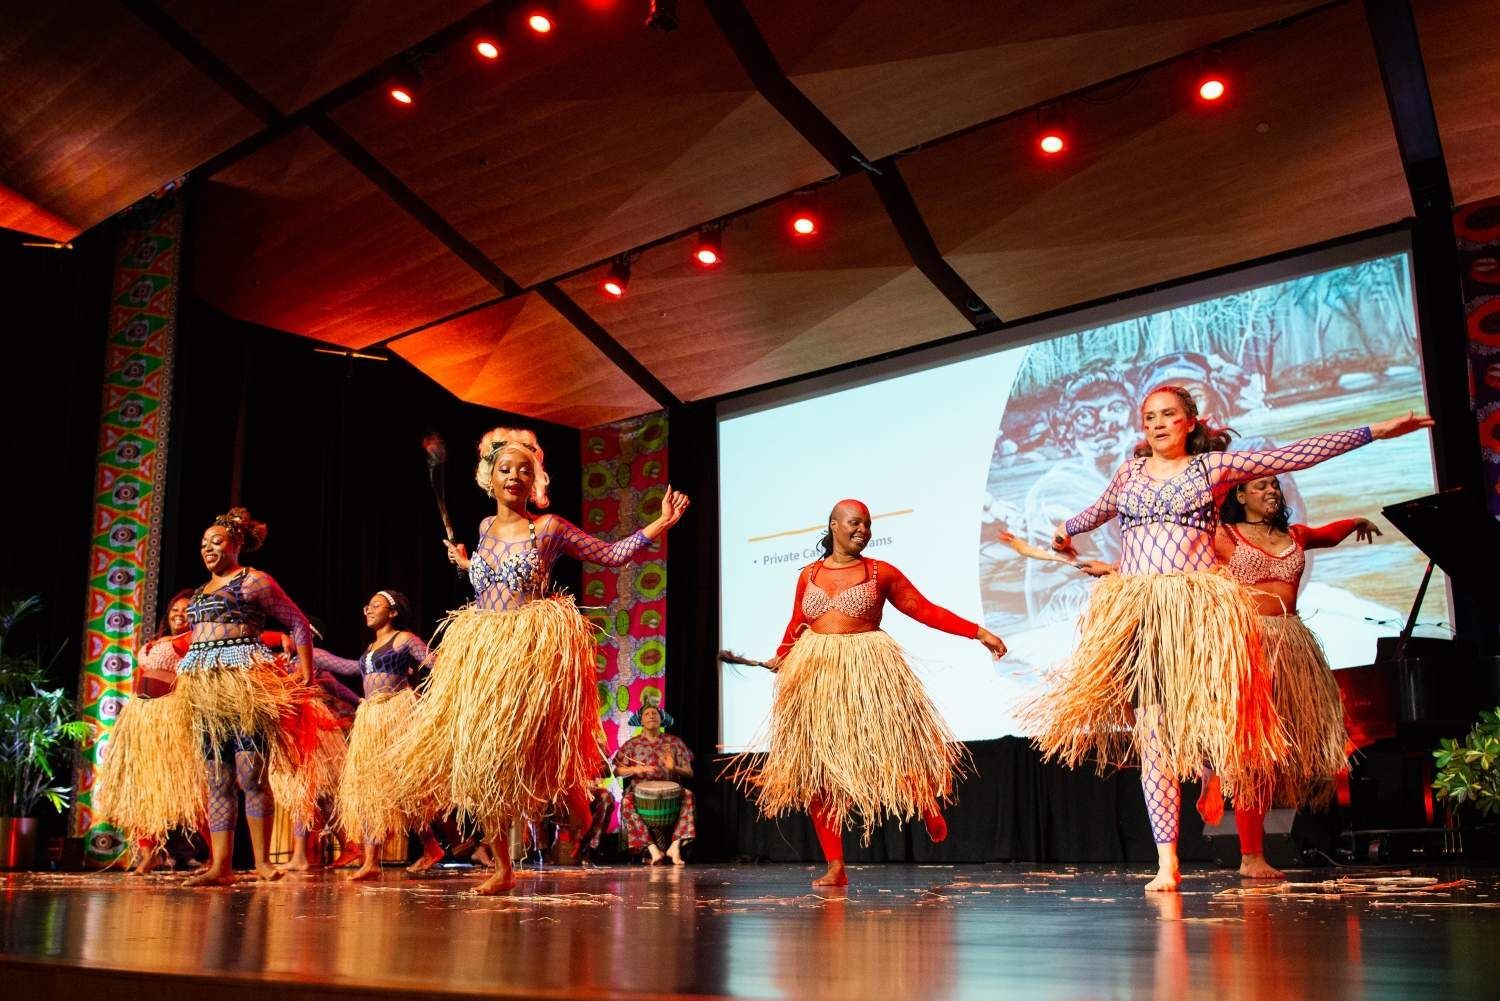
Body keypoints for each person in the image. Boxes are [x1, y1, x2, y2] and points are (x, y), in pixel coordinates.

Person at [1030, 387, 1431, 892]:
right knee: (1153, 730)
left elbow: (1294, 454)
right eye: (1149, 417)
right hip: (1146, 614)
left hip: (1203, 613)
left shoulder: (1210, 470)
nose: (1157, 424)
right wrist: (1065, 531)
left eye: (1168, 415)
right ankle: (1166, 862)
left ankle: (1226, 802)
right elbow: (1094, 513)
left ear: (1190, 421)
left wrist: (1377, 431)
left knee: (1231, 723)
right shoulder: (1128, 475)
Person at [395, 427, 690, 894]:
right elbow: (488, 581)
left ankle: (578, 806)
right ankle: (503, 868)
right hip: (480, 653)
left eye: (524, 470)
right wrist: (466, 564)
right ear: (489, 478)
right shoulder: (483, 529)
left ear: (536, 481)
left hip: (527, 654)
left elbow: (609, 555)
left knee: (539, 756)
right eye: (505, 469)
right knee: (483, 758)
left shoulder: (548, 528)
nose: (514, 476)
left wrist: (659, 524)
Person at [734, 499, 1008, 887]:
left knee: (895, 752)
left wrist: (977, 632)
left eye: (867, 524)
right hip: (816, 673)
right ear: (833, 525)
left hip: (868, 669)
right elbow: (798, 623)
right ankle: (836, 866)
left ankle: (926, 804)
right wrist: (781, 657)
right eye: (854, 523)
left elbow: (923, 609)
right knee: (817, 771)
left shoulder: (882, 573)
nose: (863, 530)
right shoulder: (808, 574)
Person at [98, 507, 322, 885]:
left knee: (251, 774)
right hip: (203, 690)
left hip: (244, 685)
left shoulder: (254, 582)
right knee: (217, 777)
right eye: (203, 544)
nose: (208, 548)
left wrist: (306, 670)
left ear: (236, 545)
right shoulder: (199, 594)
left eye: (216, 542)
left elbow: (298, 622)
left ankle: (263, 862)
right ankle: (221, 866)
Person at [1206, 475, 1379, 878]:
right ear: (1241, 495)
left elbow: (1327, 535)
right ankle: (1250, 855)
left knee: (1287, 755)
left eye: (1275, 487)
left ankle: (1224, 788)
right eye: (1261, 485)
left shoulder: (1295, 534)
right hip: (1248, 645)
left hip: (1294, 646)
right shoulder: (1222, 535)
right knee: (1255, 755)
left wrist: (1356, 521)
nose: (1271, 491)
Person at [333, 589, 447, 880]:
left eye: (376, 605)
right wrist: (314, 655)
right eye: (367, 605)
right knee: (372, 787)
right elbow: (348, 668)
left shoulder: (404, 639)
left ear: (392, 612)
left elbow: (436, 665)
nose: (368, 610)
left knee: (403, 788)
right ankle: (371, 861)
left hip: (397, 716)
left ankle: (431, 846)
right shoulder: (370, 650)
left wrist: (428, 700)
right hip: (372, 719)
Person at [614, 703, 695, 865]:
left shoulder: (674, 742)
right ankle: (652, 849)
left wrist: (674, 768)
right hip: (639, 792)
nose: (651, 715)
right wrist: (635, 769)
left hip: (671, 791)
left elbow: (690, 772)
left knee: (688, 794)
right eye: (647, 714)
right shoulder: (632, 744)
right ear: (641, 721)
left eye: (655, 713)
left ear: (661, 719)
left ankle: (675, 846)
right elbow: (617, 771)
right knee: (627, 801)